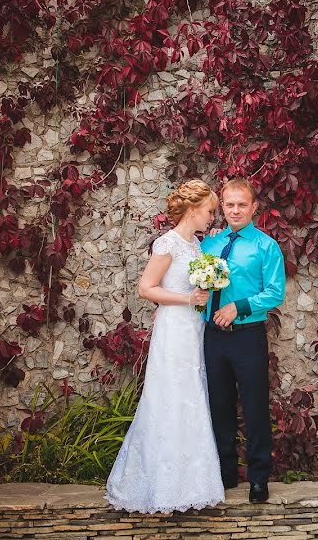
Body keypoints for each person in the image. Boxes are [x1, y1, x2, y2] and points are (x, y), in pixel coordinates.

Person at [106, 180, 225, 513]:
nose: (212, 217)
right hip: (174, 330)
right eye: (209, 211)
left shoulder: (198, 246)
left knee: (191, 398)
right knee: (170, 398)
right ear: (192, 209)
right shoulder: (167, 243)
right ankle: (161, 486)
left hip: (193, 330)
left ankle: (188, 486)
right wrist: (187, 298)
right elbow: (146, 288)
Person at [201, 178, 285, 504]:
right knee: (219, 406)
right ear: (222, 207)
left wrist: (239, 306)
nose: (235, 210)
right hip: (213, 338)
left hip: (248, 336)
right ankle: (225, 473)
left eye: (241, 205)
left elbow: (275, 292)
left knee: (254, 407)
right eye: (229, 204)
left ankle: (259, 479)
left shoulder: (266, 246)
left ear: (253, 207)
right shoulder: (209, 244)